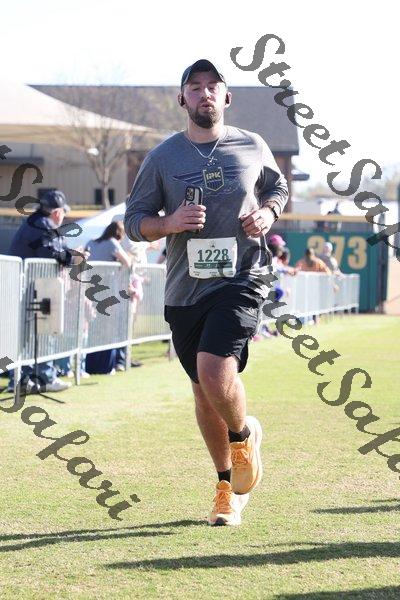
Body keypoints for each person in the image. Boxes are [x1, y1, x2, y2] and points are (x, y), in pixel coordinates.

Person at [125, 59, 288, 526]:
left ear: (227, 97)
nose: (204, 94)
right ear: (182, 99)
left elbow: (277, 188)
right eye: (194, 87)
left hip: (242, 277)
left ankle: (242, 438)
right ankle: (226, 487)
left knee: (214, 372)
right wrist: (170, 222)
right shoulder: (163, 157)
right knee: (202, 393)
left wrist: (268, 214)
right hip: (185, 289)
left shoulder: (251, 145)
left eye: (213, 86)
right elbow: (134, 222)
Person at [7, 189, 77, 393]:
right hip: (32, 290)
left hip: (27, 288)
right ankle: (44, 378)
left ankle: (22, 379)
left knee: (27, 335)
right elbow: (53, 254)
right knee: (44, 331)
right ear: (57, 212)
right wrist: (73, 258)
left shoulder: (37, 223)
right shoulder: (43, 225)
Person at [85, 221, 132, 374]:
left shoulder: (91, 242)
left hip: (92, 288)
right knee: (108, 328)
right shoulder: (112, 243)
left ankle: (91, 365)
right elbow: (128, 262)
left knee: (94, 327)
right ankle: (105, 366)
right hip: (107, 289)